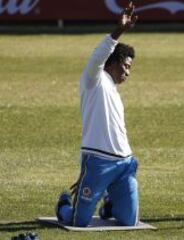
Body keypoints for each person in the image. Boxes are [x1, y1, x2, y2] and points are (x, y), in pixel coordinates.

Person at [55, 2, 139, 227]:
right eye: (125, 66)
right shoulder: (94, 79)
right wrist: (119, 30)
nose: (127, 72)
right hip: (98, 163)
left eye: (130, 68)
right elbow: (98, 54)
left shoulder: (113, 91)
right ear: (112, 62)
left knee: (129, 221)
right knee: (77, 222)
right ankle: (63, 204)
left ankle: (110, 204)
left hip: (124, 163)